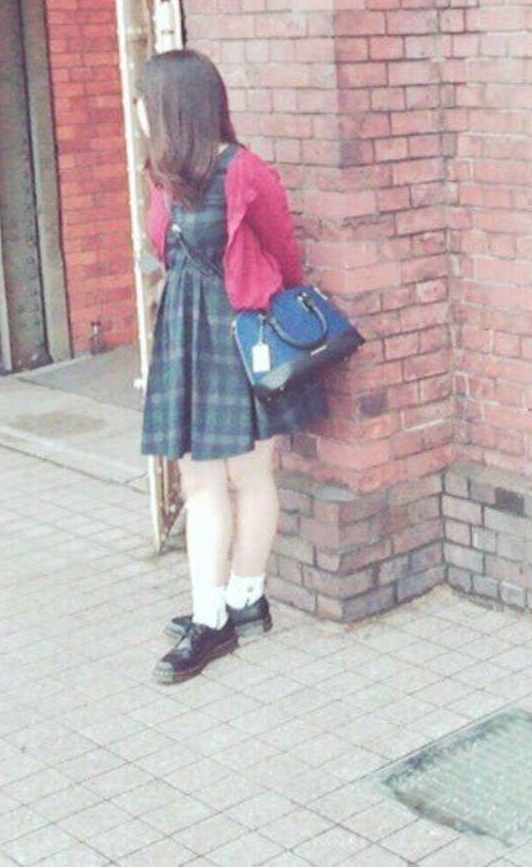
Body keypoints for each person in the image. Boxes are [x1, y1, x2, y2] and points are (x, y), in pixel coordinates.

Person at [139, 48, 321, 683]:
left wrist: (283, 316)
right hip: (191, 335)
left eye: (145, 101)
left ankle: (240, 603)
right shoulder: (165, 177)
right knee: (202, 482)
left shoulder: (245, 171)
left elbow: (283, 251)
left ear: (171, 108)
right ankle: (216, 610)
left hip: (243, 334)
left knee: (247, 475)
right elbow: (163, 250)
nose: (139, 112)